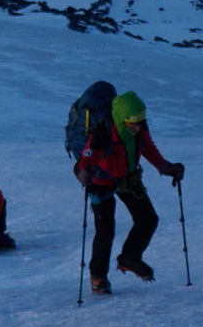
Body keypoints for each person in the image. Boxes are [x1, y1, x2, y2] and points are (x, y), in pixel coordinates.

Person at [73, 89, 183, 292]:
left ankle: (129, 258)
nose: (137, 128)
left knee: (148, 219)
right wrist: (82, 174)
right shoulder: (103, 133)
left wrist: (166, 167)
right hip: (101, 181)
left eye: (140, 123)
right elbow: (84, 160)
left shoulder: (139, 127)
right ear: (122, 119)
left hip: (127, 177)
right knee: (105, 230)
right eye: (132, 124)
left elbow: (147, 148)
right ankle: (98, 277)